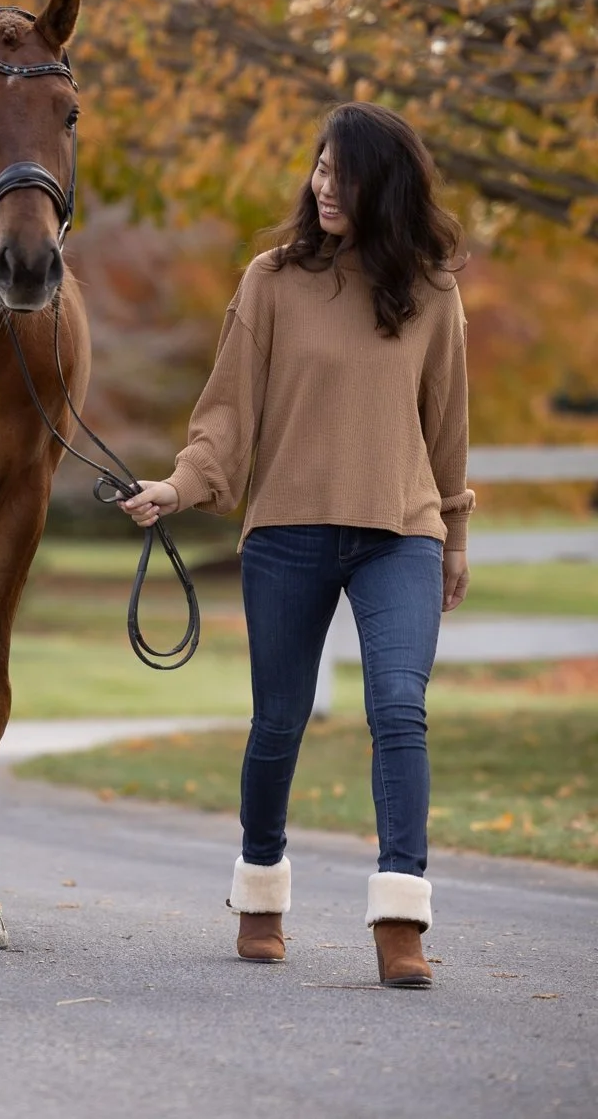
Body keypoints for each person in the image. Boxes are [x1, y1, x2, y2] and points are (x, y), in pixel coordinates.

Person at [119, 101, 471, 990]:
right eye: (318, 168)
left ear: (382, 189)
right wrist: (178, 485)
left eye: (342, 175)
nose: (323, 186)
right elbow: (227, 414)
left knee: (399, 709)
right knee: (279, 720)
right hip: (287, 531)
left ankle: (400, 916)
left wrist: (454, 535)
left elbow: (447, 431)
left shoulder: (431, 291)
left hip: (401, 532)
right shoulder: (271, 280)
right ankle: (262, 891)